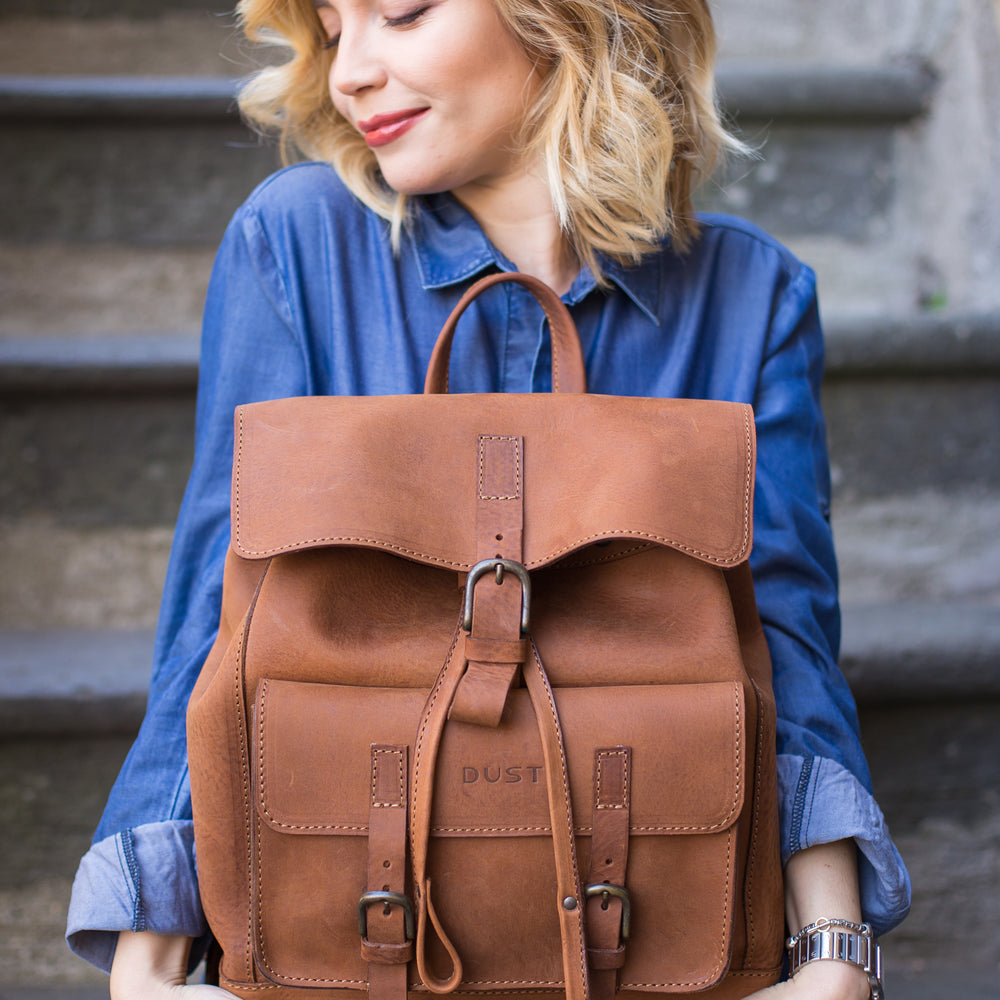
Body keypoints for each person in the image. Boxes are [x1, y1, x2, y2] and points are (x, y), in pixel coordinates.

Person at [67, 0, 911, 997]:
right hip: (346, 929)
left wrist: (831, 951)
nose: (350, 73)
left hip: (659, 932)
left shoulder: (751, 294)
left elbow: (781, 633)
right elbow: (222, 612)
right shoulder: (297, 245)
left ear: (565, 18)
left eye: (401, 13)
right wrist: (148, 966)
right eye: (335, 31)